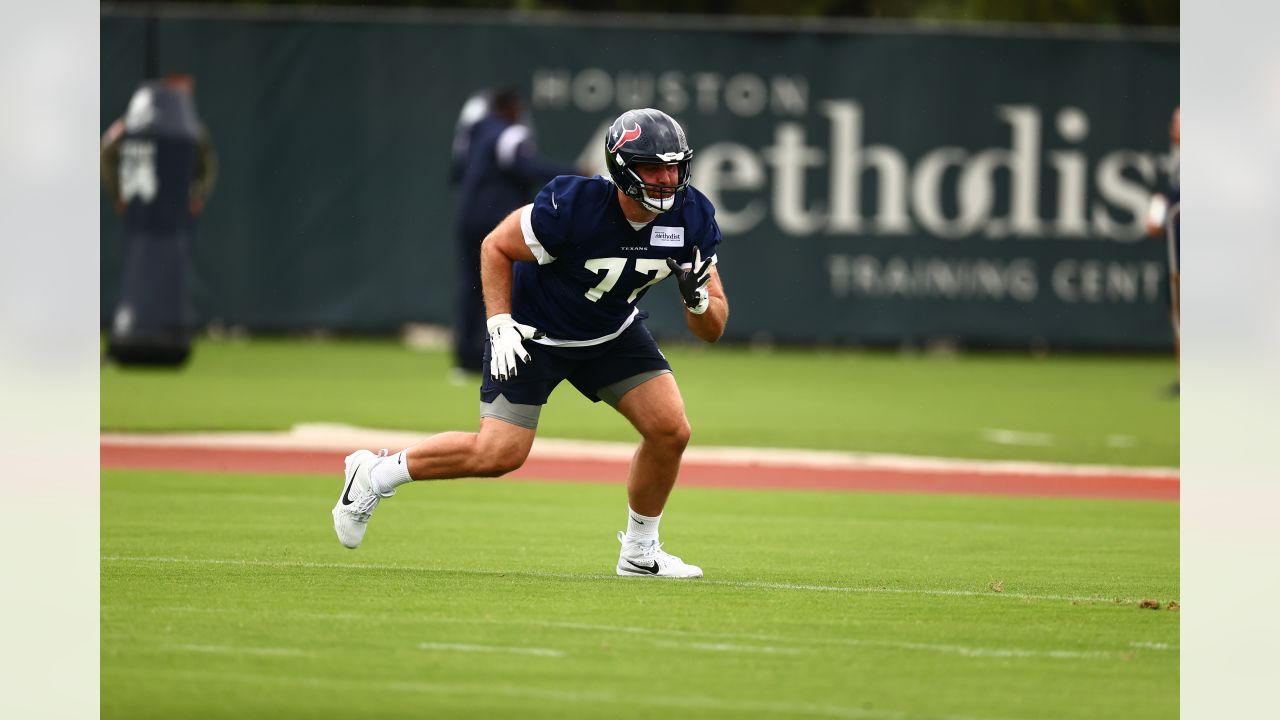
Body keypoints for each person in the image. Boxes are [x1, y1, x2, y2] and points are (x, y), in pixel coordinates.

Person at [334, 108, 728, 578]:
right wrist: (499, 322)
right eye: (652, 167)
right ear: (622, 168)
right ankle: (375, 475)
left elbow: (712, 328)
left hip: (610, 331)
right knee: (499, 454)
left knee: (671, 430)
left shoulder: (692, 216)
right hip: (533, 334)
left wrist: (699, 300)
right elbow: (495, 245)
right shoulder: (575, 204)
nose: (666, 179)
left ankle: (640, 552)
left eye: (673, 166)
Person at [449, 87, 580, 380]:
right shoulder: (511, 133)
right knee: (503, 287)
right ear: (508, 109)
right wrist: (573, 173)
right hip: (497, 221)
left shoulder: (472, 133)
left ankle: (465, 359)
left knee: (471, 287)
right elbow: (528, 166)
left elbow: (456, 172)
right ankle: (494, 356)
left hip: (467, 217)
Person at [101, 73, 217, 366]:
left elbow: (208, 164)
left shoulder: (193, 132)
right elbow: (107, 149)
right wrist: (119, 193)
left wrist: (198, 194)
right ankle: (129, 330)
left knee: (170, 269)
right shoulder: (136, 121)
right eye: (181, 92)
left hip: (173, 221)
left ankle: (170, 331)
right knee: (140, 269)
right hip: (143, 219)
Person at [1145, 106, 1179, 396]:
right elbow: (1168, 198)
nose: (1173, 126)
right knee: (1178, 312)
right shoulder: (1178, 161)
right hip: (1177, 248)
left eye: (1178, 121)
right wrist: (1159, 210)